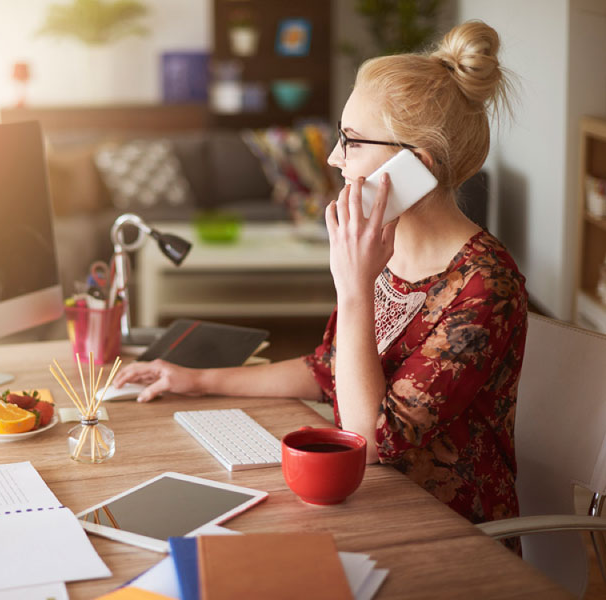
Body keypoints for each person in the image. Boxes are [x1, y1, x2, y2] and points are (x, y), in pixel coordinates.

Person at [113, 20, 527, 536]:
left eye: (351, 141)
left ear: (415, 166)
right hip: (366, 502)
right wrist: (197, 381)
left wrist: (354, 289)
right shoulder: (382, 248)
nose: (333, 158)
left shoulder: (486, 286)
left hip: (445, 532)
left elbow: (370, 438)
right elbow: (328, 369)